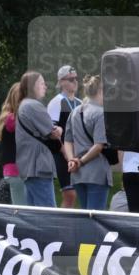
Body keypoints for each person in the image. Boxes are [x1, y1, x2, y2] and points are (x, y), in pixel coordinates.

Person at [64, 75, 112, 210]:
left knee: (85, 216)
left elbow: (67, 141)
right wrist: (81, 162)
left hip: (78, 175)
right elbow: (98, 146)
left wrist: (71, 160)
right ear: (101, 91)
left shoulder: (74, 112)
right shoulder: (100, 113)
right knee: (95, 218)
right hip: (96, 172)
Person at [15, 71, 61, 207]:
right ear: (32, 87)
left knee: (34, 213)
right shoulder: (33, 105)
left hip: (29, 167)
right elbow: (53, 133)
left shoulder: (23, 105)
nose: (45, 86)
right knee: (48, 213)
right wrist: (60, 129)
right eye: (41, 83)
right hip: (38, 167)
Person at [47, 65, 82, 208]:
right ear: (61, 82)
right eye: (70, 79)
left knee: (79, 193)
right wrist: (66, 154)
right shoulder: (57, 102)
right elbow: (53, 134)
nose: (74, 81)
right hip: (62, 154)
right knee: (69, 195)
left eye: (76, 78)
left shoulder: (80, 103)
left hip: (78, 154)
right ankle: (60, 228)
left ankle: (73, 227)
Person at [0, 82, 26, 205]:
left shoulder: (7, 117)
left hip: (11, 170)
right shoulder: (13, 119)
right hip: (18, 170)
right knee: (23, 210)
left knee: (20, 207)